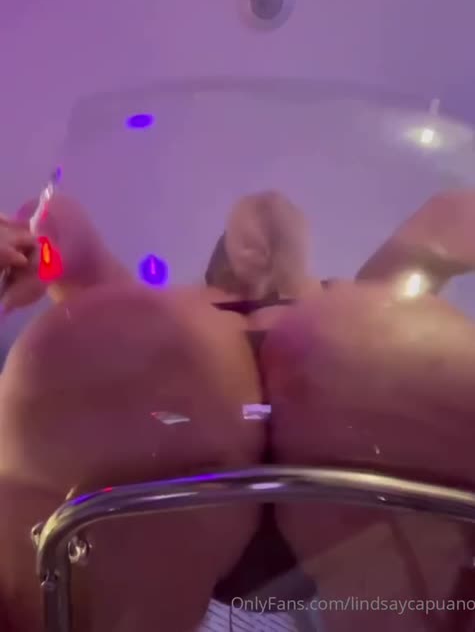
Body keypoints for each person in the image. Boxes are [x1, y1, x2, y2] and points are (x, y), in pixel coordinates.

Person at [1, 186, 475, 631]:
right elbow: (444, 223)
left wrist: (51, 243)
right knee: (380, 326)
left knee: (132, 336)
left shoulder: (168, 311)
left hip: (174, 363)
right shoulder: (354, 304)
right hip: (359, 346)